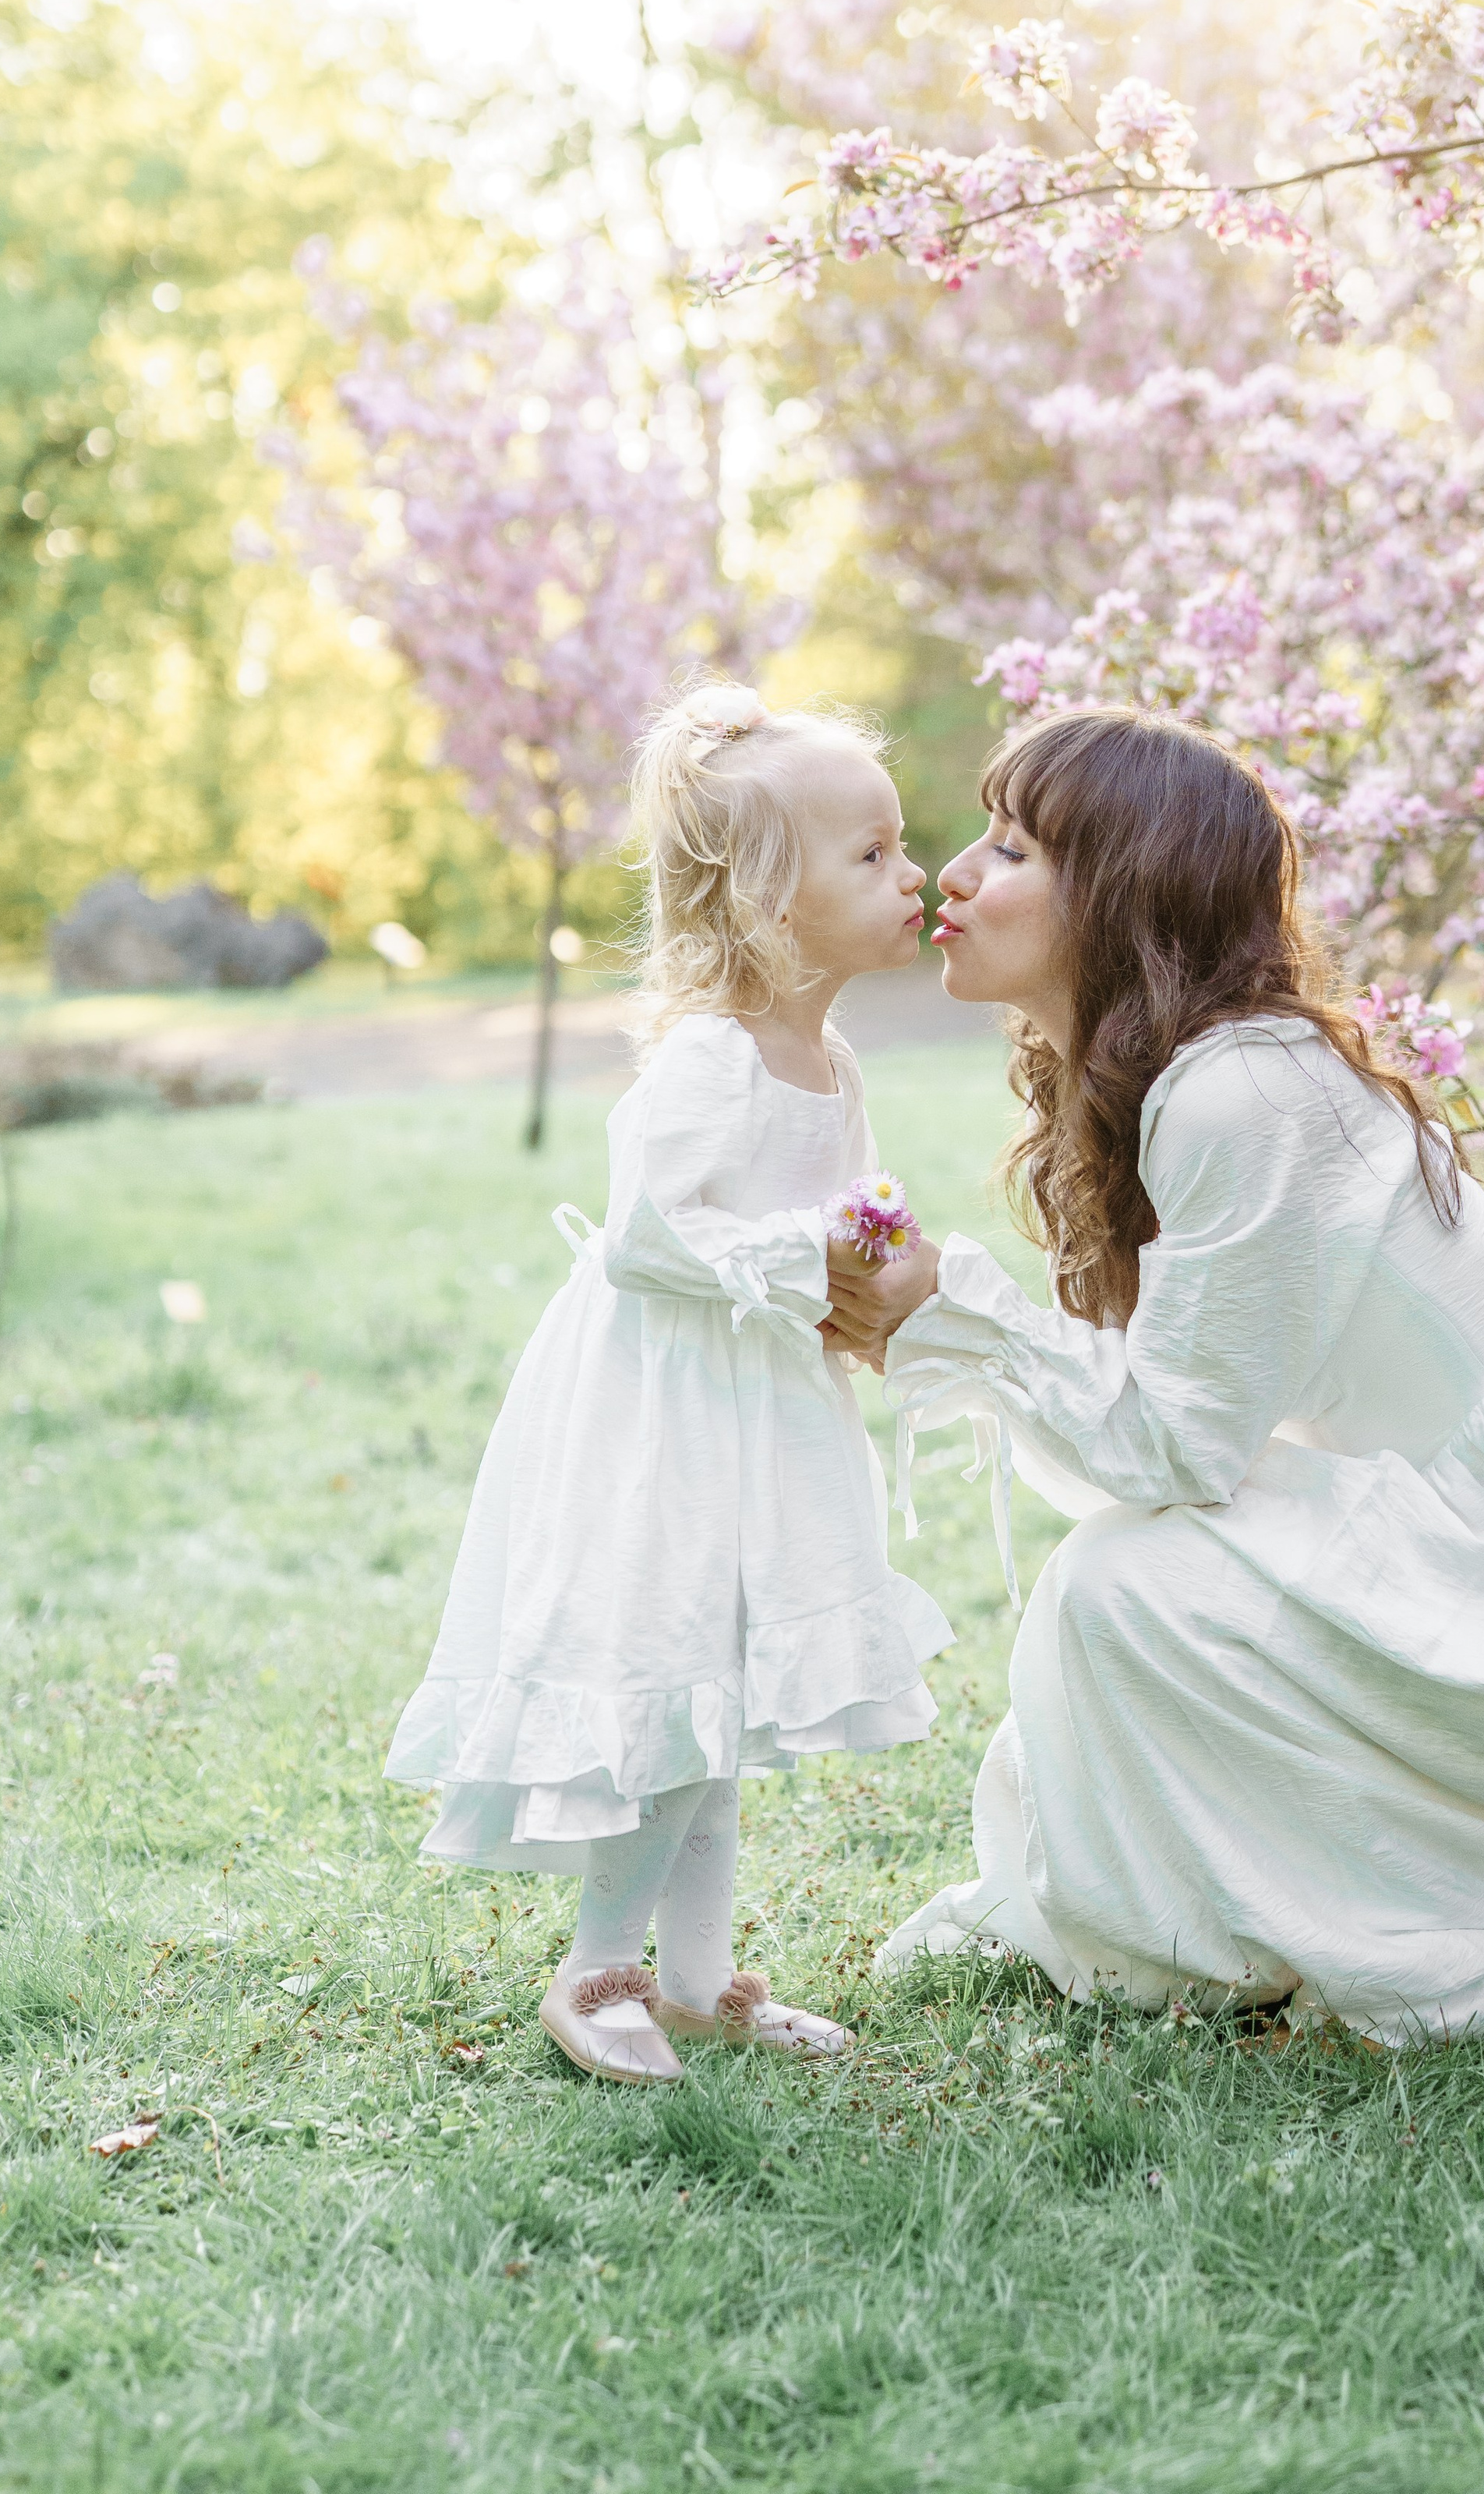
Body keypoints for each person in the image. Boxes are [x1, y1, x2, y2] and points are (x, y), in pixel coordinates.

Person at [822, 706, 1484, 2042]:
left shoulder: (1243, 1092)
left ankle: (1326, 1909)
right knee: (1136, 1572)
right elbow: (1173, 1435)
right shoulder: (1207, 1074)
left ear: (1125, 889)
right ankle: (1329, 1875)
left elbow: (1173, 1454)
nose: (960, 875)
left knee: (1119, 1589)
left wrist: (954, 1319)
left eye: (1014, 845)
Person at [386, 685, 952, 2082]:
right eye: (869, 855)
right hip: (668, 1412)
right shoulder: (712, 1058)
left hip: (762, 1402)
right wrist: (802, 1251)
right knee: (674, 1681)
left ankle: (702, 1982)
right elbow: (646, 1237)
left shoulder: (829, 1056)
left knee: (729, 1700)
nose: (915, 873)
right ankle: (596, 1970)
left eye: (900, 846)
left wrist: (881, 1263)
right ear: (767, 898)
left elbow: (846, 1199)